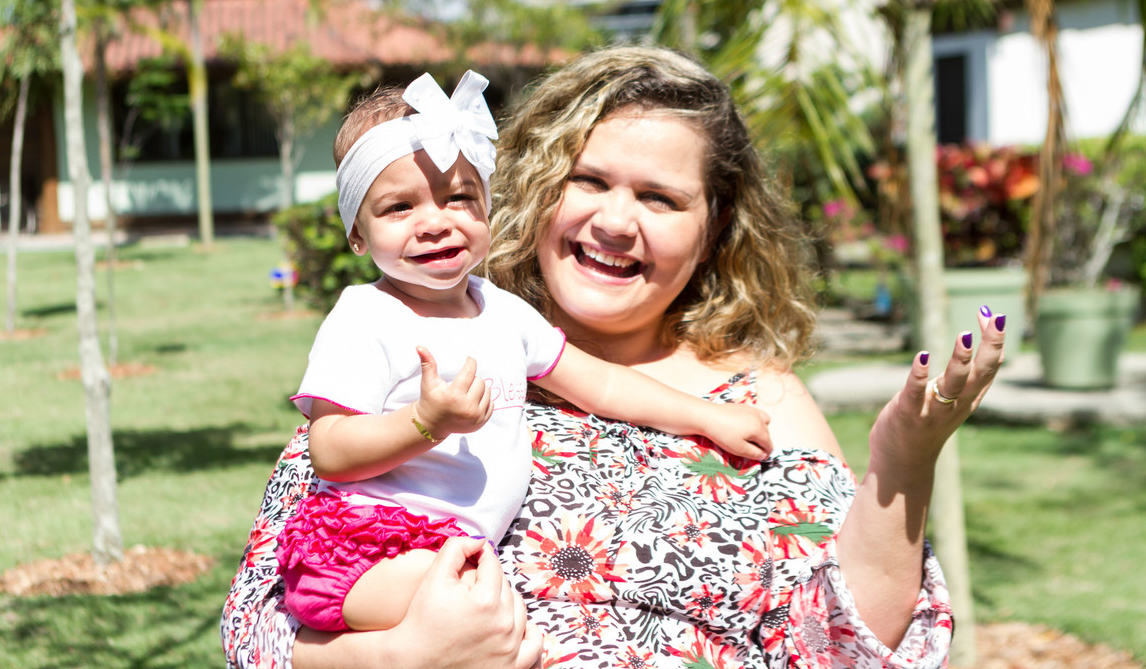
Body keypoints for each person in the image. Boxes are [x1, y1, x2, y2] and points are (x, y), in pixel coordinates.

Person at [222, 45, 1006, 669]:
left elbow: (839, 646)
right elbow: (260, 628)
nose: (616, 223)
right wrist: (403, 657)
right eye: (589, 181)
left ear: (713, 225)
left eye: (660, 198)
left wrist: (903, 465)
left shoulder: (760, 399)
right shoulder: (422, 347)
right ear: (535, 187)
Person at [277, 69, 772, 636]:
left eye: (459, 198)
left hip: (455, 553)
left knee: (506, 633)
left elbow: (603, 385)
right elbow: (330, 450)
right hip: (371, 549)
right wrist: (425, 423)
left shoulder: (503, 313)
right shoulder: (366, 317)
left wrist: (706, 416)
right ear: (358, 235)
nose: (435, 222)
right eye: (399, 208)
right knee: (496, 632)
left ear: (487, 208)